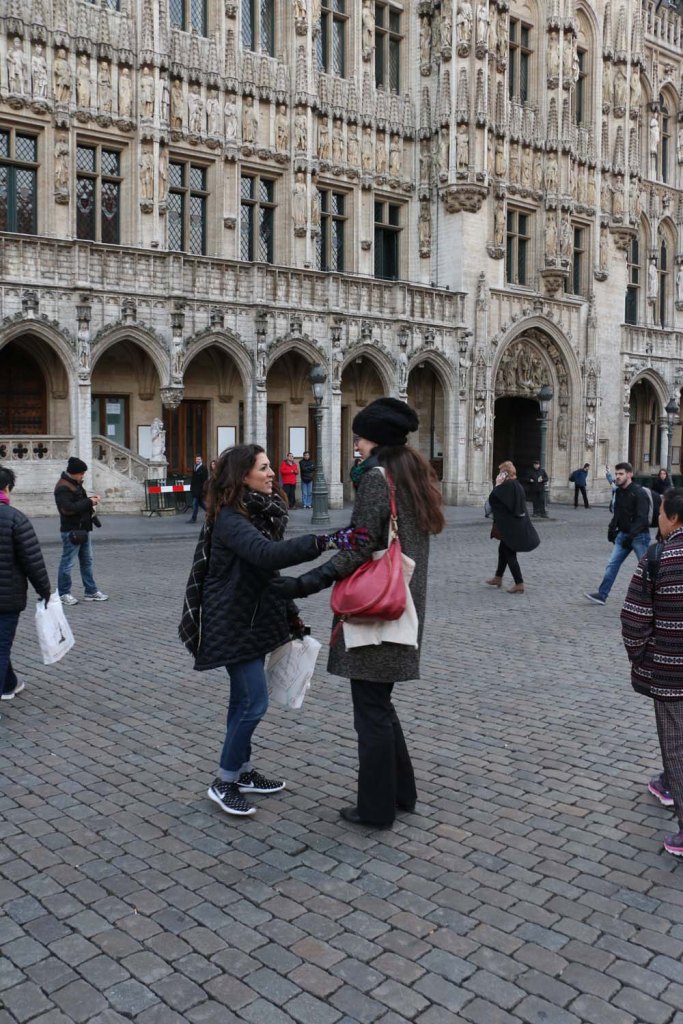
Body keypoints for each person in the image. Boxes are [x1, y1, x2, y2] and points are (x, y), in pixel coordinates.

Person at [272, 398, 445, 828]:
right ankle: (402, 794)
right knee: (380, 704)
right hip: (401, 604)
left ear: (376, 440)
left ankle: (375, 808)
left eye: (361, 437)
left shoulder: (376, 477)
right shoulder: (414, 475)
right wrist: (332, 539)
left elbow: (362, 545)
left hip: (375, 608)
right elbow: (368, 534)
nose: (356, 444)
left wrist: (305, 582)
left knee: (370, 710)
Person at [193, 444, 369, 817]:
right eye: (264, 467)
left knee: (242, 702)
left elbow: (266, 575)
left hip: (253, 618)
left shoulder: (259, 514)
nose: (272, 473)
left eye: (271, 466)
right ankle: (223, 781)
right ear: (243, 476)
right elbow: (266, 556)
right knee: (253, 702)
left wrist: (290, 613)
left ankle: (240, 771)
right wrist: (327, 540)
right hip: (233, 621)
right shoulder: (230, 518)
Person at [621, 487, 683, 857]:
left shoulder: (659, 555)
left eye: (660, 512)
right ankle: (666, 781)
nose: (657, 518)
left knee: (676, 746)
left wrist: (642, 658)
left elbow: (634, 618)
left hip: (671, 674)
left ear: (673, 518)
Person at [0, 466, 51, 704]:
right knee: (1, 646)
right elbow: (32, 560)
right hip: (7, 598)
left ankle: (9, 684)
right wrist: (44, 591)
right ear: (7, 488)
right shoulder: (15, 518)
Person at [585, 461, 650, 605]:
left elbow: (642, 518)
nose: (618, 477)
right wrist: (611, 528)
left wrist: (632, 536)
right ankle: (602, 595)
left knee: (646, 569)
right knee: (612, 564)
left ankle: (652, 598)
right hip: (623, 535)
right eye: (616, 474)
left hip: (639, 536)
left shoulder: (639, 492)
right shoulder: (619, 491)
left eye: (621, 474)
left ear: (630, 474)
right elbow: (618, 513)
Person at [55, 457, 107, 605]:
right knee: (67, 563)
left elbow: (78, 503)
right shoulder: (63, 487)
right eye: (81, 473)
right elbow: (68, 509)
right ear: (74, 473)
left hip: (83, 529)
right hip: (71, 530)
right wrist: (89, 501)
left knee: (87, 561)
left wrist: (90, 500)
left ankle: (90, 591)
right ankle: (63, 593)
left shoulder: (75, 484)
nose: (83, 476)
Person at [486, 461, 540, 594]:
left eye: (501, 473)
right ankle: (498, 577)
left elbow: (493, 500)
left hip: (512, 528)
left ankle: (519, 583)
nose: (499, 475)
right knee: (503, 549)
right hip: (515, 526)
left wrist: (497, 485)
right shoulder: (515, 484)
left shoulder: (507, 486)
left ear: (505, 474)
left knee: (510, 554)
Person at [188, 454, 208, 523]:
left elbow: (205, 480)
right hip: (194, 489)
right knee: (201, 503)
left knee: (194, 504)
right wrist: (191, 487)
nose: (197, 460)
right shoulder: (194, 467)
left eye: (199, 459)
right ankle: (211, 512)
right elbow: (193, 479)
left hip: (200, 490)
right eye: (196, 459)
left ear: (201, 460)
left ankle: (194, 518)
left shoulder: (204, 468)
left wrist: (203, 490)